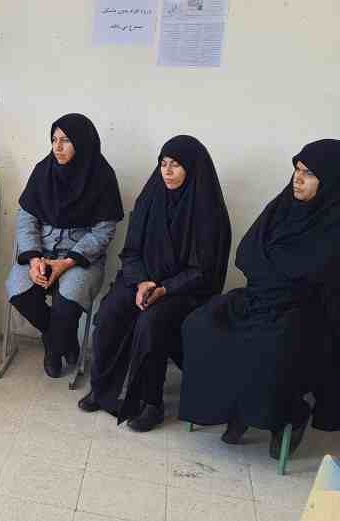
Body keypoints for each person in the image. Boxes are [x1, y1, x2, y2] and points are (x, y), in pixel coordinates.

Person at [178, 139, 340, 457]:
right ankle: (235, 409)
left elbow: (321, 270)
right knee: (202, 324)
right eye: (297, 170)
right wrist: (280, 268)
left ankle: (289, 417)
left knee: (268, 344)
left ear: (332, 179)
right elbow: (247, 252)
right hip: (260, 297)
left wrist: (274, 266)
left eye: (309, 174)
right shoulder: (284, 204)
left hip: (311, 309)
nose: (298, 179)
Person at [77, 135, 231, 433]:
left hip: (186, 290)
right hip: (142, 279)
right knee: (110, 312)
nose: (167, 172)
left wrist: (164, 289)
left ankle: (151, 402)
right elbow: (131, 251)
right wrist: (141, 282)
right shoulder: (150, 198)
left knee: (152, 321)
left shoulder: (208, 211)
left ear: (192, 169)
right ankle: (103, 388)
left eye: (176, 165)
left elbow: (203, 270)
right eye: (163, 164)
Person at [6, 114, 124, 379]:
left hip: (80, 255)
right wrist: (34, 258)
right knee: (18, 290)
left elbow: (104, 231)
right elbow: (26, 219)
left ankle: (52, 349)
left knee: (68, 300)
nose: (57, 147)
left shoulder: (102, 177)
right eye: (54, 140)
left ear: (82, 143)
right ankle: (63, 339)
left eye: (66, 141)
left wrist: (66, 262)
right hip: (41, 250)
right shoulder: (43, 170)